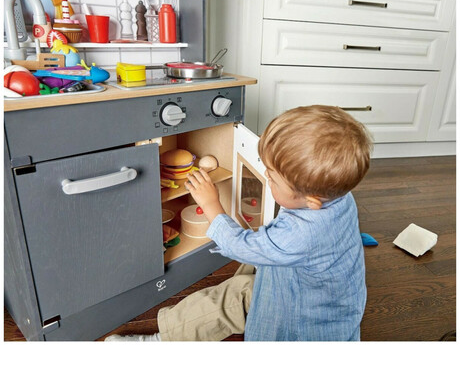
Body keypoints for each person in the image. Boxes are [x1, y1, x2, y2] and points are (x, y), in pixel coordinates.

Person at [105, 105, 373, 342]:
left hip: (302, 315)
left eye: (273, 178)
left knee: (234, 297)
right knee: (251, 267)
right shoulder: (338, 195)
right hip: (331, 299)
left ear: (312, 200)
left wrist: (211, 204)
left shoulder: (300, 234)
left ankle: (162, 341)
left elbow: (239, 246)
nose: (266, 176)